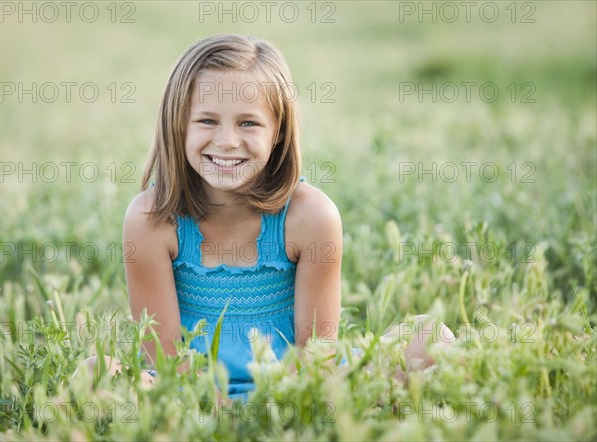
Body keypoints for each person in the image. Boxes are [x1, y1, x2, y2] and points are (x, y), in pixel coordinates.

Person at [76, 34, 454, 401]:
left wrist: (271, 407)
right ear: (178, 125)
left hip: (299, 385)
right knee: (95, 373)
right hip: (189, 390)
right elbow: (166, 357)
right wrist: (214, 409)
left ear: (278, 132)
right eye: (207, 120)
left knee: (429, 334)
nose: (226, 141)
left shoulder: (311, 217)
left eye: (248, 123)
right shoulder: (150, 219)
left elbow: (316, 353)